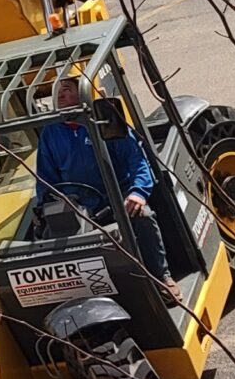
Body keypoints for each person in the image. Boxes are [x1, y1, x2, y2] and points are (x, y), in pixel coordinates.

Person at [34, 73, 177, 300]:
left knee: (143, 216)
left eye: (67, 89)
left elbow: (137, 161)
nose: (61, 94)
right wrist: (47, 205)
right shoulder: (50, 133)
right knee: (53, 236)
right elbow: (45, 178)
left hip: (118, 195)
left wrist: (138, 193)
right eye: (57, 92)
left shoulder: (105, 121)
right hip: (80, 205)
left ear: (83, 94)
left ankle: (162, 277)